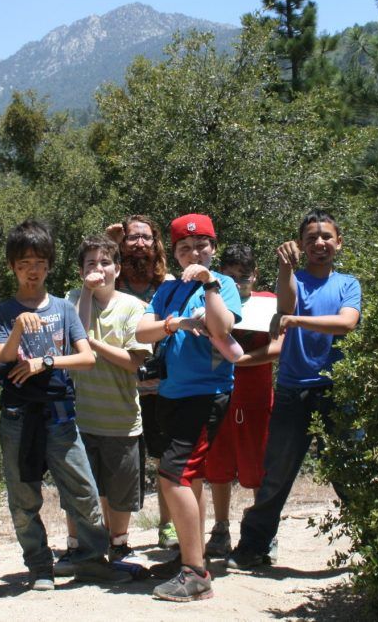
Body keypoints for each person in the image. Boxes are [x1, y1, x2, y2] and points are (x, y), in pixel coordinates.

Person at [0, 219, 132, 591]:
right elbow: (0, 358)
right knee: (23, 496)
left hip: (61, 417)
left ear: (50, 264)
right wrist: (19, 327)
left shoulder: (65, 309)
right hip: (18, 418)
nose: (31, 271)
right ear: (12, 267)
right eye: (23, 264)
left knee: (83, 491)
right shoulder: (4, 311)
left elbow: (85, 359)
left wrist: (46, 362)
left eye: (38, 262)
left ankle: (91, 561)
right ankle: (39, 567)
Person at [227, 210, 361, 570]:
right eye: (311, 238)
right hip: (292, 391)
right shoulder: (295, 279)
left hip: (338, 390)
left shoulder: (348, 284)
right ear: (301, 245)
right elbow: (284, 306)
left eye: (327, 237)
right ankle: (253, 547)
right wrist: (285, 268)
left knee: (354, 472)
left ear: (339, 242)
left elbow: (346, 323)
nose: (320, 243)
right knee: (277, 476)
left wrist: (296, 321)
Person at [136, 213, 242, 602]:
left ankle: (195, 574)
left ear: (213, 247)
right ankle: (188, 555)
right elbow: (142, 331)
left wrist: (208, 283)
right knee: (189, 477)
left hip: (205, 393)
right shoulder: (167, 290)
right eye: (184, 247)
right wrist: (175, 324)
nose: (194, 252)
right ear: (175, 253)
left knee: (174, 475)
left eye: (201, 245)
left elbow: (223, 327)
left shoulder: (223, 284)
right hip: (171, 394)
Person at [60, 235, 151, 571]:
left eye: (104, 262)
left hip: (121, 417)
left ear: (118, 267)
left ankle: (120, 545)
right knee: (78, 490)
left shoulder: (134, 308)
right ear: (80, 271)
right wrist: (85, 292)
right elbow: (74, 339)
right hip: (79, 418)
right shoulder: (71, 300)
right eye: (90, 264)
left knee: (120, 491)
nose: (98, 270)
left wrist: (93, 345)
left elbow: (133, 361)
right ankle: (75, 546)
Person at [203, 244, 281, 559]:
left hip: (256, 398)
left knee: (258, 465)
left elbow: (278, 348)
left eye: (244, 277)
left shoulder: (269, 303)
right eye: (231, 276)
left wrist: (241, 359)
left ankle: (264, 532)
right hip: (220, 395)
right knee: (217, 463)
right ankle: (221, 528)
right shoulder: (213, 301)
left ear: (256, 275)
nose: (238, 283)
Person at [106, 214, 178, 549]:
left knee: (166, 459)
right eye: (132, 238)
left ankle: (168, 525)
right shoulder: (111, 284)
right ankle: (118, 535)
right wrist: (108, 243)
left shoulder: (168, 284)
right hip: (120, 388)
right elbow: (91, 274)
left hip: (163, 386)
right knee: (120, 465)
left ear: (156, 243)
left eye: (146, 238)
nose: (139, 244)